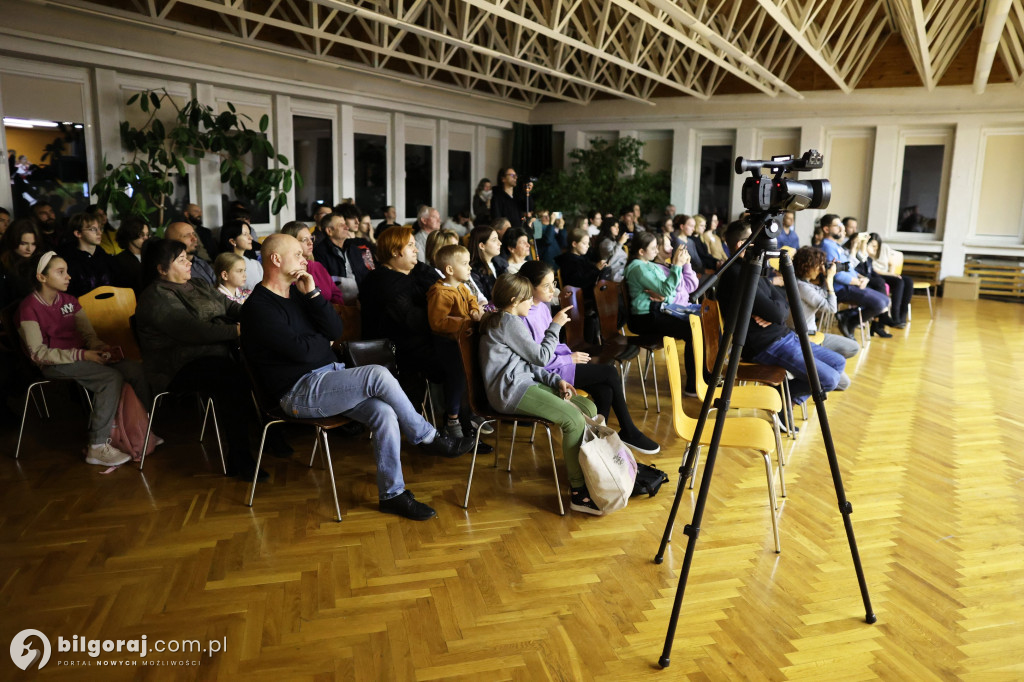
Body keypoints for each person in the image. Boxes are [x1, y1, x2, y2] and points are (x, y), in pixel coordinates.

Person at [240, 233, 469, 520]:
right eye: (298, 254)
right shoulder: (258, 307)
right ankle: (428, 437)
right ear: (275, 259)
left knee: (384, 413)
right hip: (297, 392)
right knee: (377, 374)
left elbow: (335, 333)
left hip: (329, 379)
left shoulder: (299, 295)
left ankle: (393, 494)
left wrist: (313, 295)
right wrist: (320, 342)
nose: (305, 258)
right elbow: (302, 353)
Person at [136, 238, 265, 480]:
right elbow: (193, 331)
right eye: (181, 260)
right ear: (162, 269)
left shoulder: (197, 284)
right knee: (232, 378)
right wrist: (238, 331)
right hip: (176, 367)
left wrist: (261, 314)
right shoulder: (155, 297)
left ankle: (271, 436)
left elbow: (230, 307)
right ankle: (240, 458)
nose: (189, 262)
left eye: (187, 257)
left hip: (215, 355)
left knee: (258, 363)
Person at [479, 273, 601, 514]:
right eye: (528, 299)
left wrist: (556, 381)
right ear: (514, 301)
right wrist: (555, 325)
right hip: (510, 391)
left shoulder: (507, 320)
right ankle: (578, 490)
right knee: (573, 419)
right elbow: (542, 357)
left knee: (588, 409)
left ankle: (580, 468)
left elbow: (532, 363)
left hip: (523, 383)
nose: (532, 303)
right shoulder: (508, 322)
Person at [17, 251, 150, 467]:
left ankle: (142, 431)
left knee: (134, 369)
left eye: (67, 271)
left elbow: (88, 336)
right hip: (54, 364)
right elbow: (38, 353)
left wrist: (101, 348)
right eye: (60, 272)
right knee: (110, 379)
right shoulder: (28, 308)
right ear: (42, 277)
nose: (68, 276)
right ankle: (97, 446)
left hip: (81, 356)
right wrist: (83, 354)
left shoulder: (70, 301)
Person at [518, 260, 659, 454]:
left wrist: (568, 354)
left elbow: (555, 344)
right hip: (548, 372)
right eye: (547, 285)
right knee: (609, 372)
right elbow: (537, 360)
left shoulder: (541, 305)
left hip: (559, 362)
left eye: (554, 284)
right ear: (529, 287)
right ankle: (628, 431)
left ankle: (596, 444)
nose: (553, 290)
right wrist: (569, 358)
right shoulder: (522, 315)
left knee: (605, 390)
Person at [717, 220, 847, 405]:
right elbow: (779, 313)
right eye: (758, 239)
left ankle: (785, 400)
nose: (764, 243)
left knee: (838, 363)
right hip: (766, 345)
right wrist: (775, 311)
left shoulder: (752, 268)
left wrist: (774, 310)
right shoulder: (737, 275)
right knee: (829, 379)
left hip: (784, 336)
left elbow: (782, 301)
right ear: (741, 245)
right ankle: (780, 406)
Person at [623, 231, 700, 395]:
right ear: (641, 251)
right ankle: (693, 386)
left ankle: (703, 378)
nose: (656, 251)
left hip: (657, 311)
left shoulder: (649, 265)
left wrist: (665, 294)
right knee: (691, 331)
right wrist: (677, 266)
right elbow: (667, 289)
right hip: (645, 318)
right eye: (652, 248)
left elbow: (669, 293)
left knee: (699, 323)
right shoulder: (638, 268)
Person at [426, 244, 483, 438]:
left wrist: (475, 310)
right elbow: (438, 322)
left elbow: (472, 300)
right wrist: (466, 321)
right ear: (450, 269)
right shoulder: (440, 293)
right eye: (465, 264)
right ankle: (452, 419)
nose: (470, 268)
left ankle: (470, 413)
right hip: (448, 345)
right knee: (456, 380)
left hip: (464, 342)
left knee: (468, 379)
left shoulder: (462, 287)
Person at [791, 246, 858, 389]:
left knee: (853, 347)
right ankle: (808, 370)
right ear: (807, 266)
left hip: (815, 335)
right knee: (844, 383)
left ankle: (820, 363)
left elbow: (821, 294)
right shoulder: (800, 286)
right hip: (803, 339)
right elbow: (831, 308)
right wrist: (830, 280)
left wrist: (825, 277)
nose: (821, 267)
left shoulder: (806, 283)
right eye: (819, 264)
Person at [818, 214, 892, 338]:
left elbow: (848, 267)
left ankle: (847, 316)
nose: (842, 229)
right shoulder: (828, 246)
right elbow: (837, 275)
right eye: (837, 226)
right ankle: (850, 320)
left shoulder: (835, 246)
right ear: (826, 229)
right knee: (880, 304)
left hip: (851, 285)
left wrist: (859, 277)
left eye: (841, 225)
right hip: (840, 289)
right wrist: (858, 282)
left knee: (885, 301)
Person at [313, 209, 377, 303]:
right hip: (338, 304)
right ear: (329, 231)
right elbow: (325, 284)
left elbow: (366, 274)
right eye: (341, 225)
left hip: (362, 300)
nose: (346, 227)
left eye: (345, 224)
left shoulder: (354, 249)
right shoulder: (320, 252)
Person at [280, 221, 344, 305]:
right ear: (291, 243)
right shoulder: (286, 273)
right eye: (304, 240)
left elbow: (336, 294)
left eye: (311, 238)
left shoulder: (317, 266)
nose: (310, 243)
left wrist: (332, 312)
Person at [59, 213, 116, 297]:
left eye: (100, 228)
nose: (99, 233)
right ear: (78, 233)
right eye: (93, 229)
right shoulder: (68, 261)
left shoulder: (106, 258)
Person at [865, 233, 912, 327]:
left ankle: (903, 315)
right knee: (899, 282)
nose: (875, 248)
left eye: (877, 246)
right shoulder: (866, 253)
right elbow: (873, 271)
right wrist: (891, 275)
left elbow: (891, 263)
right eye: (873, 246)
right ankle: (895, 316)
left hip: (887, 273)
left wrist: (892, 273)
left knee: (908, 281)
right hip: (877, 275)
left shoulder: (884, 248)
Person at [554, 226, 609, 297]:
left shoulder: (582, 257)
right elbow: (579, 282)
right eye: (584, 243)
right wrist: (596, 269)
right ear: (574, 244)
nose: (588, 246)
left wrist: (600, 267)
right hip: (578, 295)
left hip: (589, 291)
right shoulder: (569, 261)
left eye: (588, 243)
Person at [0, 219, 42, 302]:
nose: (29, 249)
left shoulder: (38, 261)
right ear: (13, 240)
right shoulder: (3, 264)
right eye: (23, 243)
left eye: (33, 244)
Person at [165, 221, 217, 286]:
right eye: (187, 236)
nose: (194, 239)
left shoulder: (202, 263)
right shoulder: (171, 271)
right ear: (172, 242)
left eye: (194, 234)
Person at [219, 219, 263, 291]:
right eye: (245, 234)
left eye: (249, 233)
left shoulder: (254, 263)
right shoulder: (227, 264)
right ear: (232, 241)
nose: (251, 238)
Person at [111, 217, 150, 293]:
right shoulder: (119, 260)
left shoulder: (150, 256)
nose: (145, 238)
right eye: (141, 234)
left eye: (147, 234)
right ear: (131, 234)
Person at [467, 224, 505, 302]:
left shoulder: (498, 264)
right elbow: (482, 300)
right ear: (482, 246)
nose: (500, 243)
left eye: (498, 239)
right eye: (494, 240)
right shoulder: (473, 271)